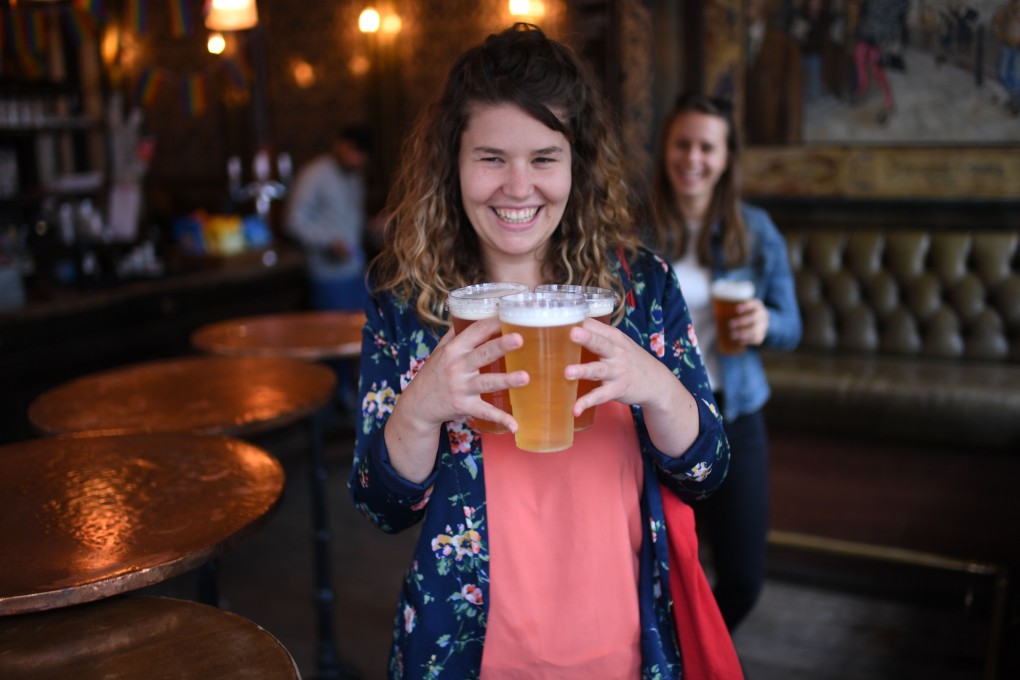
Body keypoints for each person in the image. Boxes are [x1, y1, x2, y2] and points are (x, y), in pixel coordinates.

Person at [350, 23, 733, 679]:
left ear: (577, 163)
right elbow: (381, 505)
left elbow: (707, 471)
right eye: (491, 157)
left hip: (624, 640)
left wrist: (657, 386)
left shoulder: (641, 287)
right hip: (470, 649)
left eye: (545, 158)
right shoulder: (406, 303)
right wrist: (421, 408)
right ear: (453, 161)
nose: (518, 186)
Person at [650, 93, 802, 633]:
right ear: (666, 149)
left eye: (707, 147)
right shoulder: (637, 231)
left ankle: (696, 656)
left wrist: (765, 323)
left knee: (742, 581)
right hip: (658, 422)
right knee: (661, 573)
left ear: (726, 157)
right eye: (682, 144)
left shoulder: (756, 230)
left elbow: (792, 325)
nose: (693, 158)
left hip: (734, 412)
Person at [285, 125, 372, 312]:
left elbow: (349, 218)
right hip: (327, 275)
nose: (359, 159)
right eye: (355, 151)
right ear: (340, 145)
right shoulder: (313, 174)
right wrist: (328, 243)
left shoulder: (355, 176)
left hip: (357, 270)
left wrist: (372, 226)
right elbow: (293, 222)